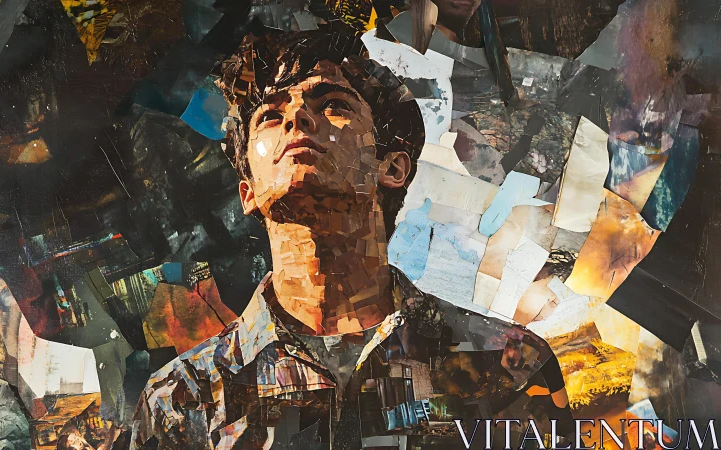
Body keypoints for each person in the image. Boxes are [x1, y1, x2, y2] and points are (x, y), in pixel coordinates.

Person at [132, 21, 575, 450]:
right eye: (269, 114)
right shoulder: (181, 400)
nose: (296, 119)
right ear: (248, 191)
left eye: (334, 105)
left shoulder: (508, 365)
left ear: (393, 167)